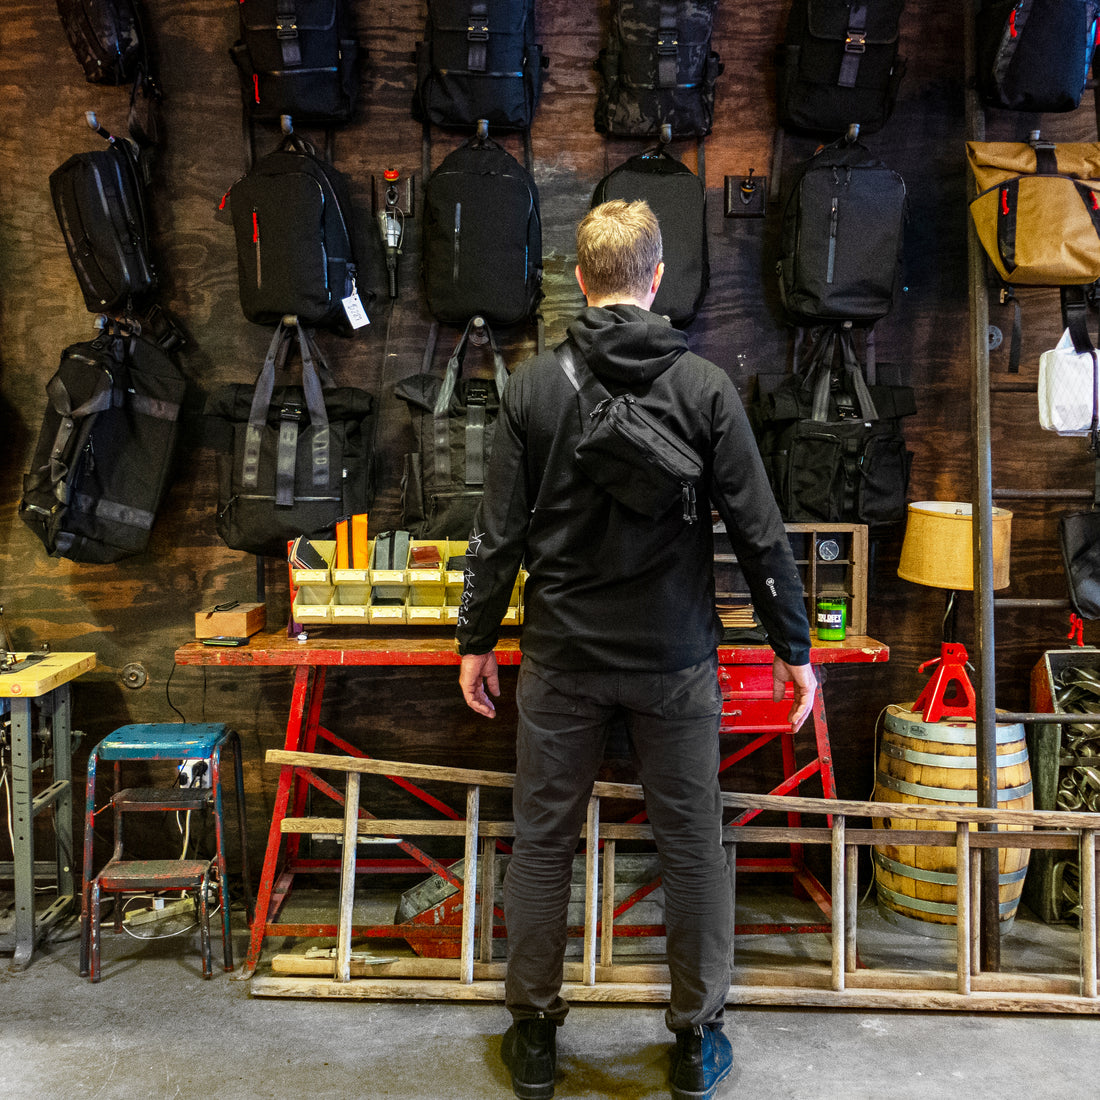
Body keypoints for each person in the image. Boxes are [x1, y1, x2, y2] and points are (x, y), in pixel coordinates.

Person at [457, 199, 816, 1100]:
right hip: (675, 663)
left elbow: (495, 537)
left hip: (562, 661)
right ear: (657, 281)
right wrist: (794, 649)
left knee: (541, 844)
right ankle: (696, 1043)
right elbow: (761, 534)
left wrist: (475, 641)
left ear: (580, 281)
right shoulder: (705, 388)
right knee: (693, 846)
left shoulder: (533, 387)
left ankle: (535, 1040)